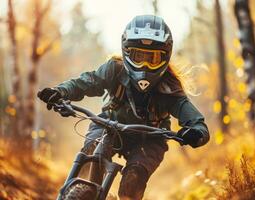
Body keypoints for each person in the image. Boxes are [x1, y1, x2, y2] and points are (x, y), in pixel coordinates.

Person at [38, 15, 209, 200]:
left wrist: (195, 133)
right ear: (126, 52)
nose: (144, 64)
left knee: (132, 183)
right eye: (139, 56)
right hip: (108, 125)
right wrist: (61, 92)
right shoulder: (115, 68)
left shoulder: (170, 87)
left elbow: (197, 123)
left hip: (150, 138)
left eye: (152, 58)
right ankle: (84, 190)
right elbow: (87, 81)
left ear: (165, 56)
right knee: (92, 153)